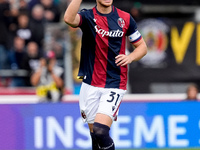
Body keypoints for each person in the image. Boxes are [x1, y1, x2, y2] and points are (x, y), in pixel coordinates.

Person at [64, 0, 147, 150]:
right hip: (90, 83)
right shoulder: (88, 16)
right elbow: (69, 19)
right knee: (95, 137)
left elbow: (142, 47)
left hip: (114, 83)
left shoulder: (125, 19)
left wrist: (130, 57)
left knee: (100, 131)